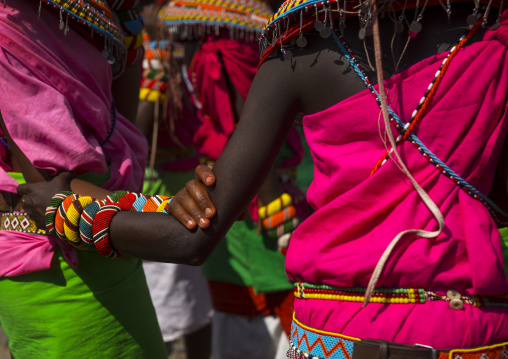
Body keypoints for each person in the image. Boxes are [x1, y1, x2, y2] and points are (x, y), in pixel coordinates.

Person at [20, 0, 508, 357]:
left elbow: (186, 240)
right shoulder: (492, 42)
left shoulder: (300, 48)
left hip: (334, 335)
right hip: (469, 331)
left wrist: (62, 211)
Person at [0, 1, 168, 357]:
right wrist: (174, 220)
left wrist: (126, 20)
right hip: (61, 265)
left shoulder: (93, 14)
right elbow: (51, 187)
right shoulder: (11, 24)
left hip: (112, 241)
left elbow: (113, 134)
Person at [137, 21, 213, 358]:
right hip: (152, 194)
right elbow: (138, 130)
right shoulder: (138, 53)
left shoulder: (185, 54)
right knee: (159, 305)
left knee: (193, 304)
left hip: (188, 187)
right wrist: (154, 79)